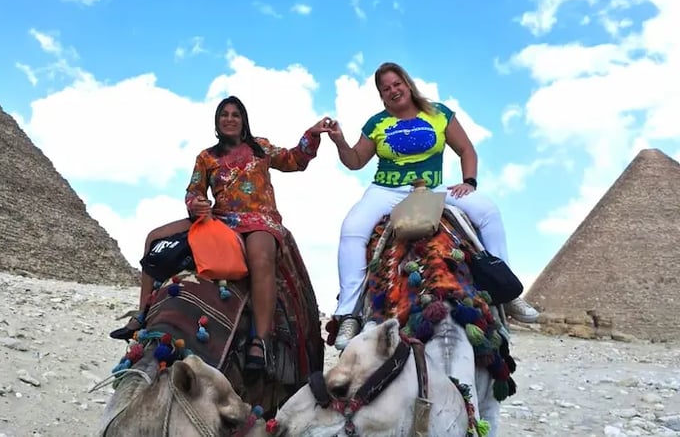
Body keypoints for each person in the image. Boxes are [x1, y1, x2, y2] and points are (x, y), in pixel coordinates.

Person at [110, 95, 333, 371]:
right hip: (221, 218)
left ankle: (260, 340)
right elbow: (193, 191)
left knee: (260, 256)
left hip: (261, 219)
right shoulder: (206, 157)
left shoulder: (261, 148)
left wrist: (312, 134)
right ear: (217, 122)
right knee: (155, 237)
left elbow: (294, 160)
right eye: (224, 114)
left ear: (243, 121)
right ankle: (142, 313)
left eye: (235, 114)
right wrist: (196, 205)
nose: (229, 119)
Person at [326, 62, 539, 350]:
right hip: (386, 189)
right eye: (385, 88)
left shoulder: (438, 114)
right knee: (352, 231)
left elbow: (466, 150)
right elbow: (354, 161)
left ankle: (506, 290)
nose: (393, 90)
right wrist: (339, 141)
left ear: (407, 83)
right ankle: (349, 314)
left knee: (487, 211)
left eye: (396, 83)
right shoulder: (376, 123)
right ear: (381, 94)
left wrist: (470, 182)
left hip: (432, 187)